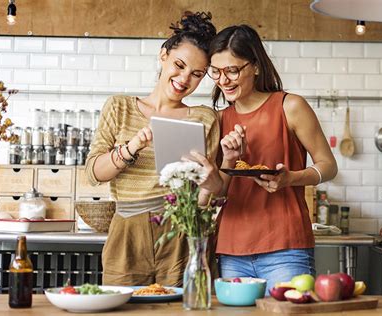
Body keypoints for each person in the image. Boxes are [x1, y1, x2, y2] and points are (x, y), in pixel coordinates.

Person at [85, 12, 222, 286]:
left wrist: (210, 183)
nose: (184, 79)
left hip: (181, 232)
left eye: (196, 74)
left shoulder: (205, 117)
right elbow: (93, 174)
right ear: (163, 56)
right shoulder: (119, 107)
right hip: (127, 230)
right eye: (179, 65)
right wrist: (132, 146)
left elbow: (205, 194)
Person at [207, 25, 338, 292]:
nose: (224, 80)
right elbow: (219, 189)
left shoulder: (290, 106)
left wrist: (292, 178)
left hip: (285, 246)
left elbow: (329, 165)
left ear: (254, 66)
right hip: (232, 247)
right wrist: (229, 160)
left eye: (232, 70)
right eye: (216, 71)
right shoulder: (219, 119)